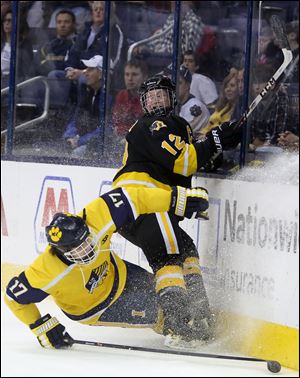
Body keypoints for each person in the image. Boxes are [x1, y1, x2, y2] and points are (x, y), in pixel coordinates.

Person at [112, 75, 242, 345]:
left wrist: (218, 142)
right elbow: (183, 161)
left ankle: (198, 312)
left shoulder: (177, 126)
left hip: (147, 207)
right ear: (144, 104)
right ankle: (176, 323)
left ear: (173, 98)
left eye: (162, 94)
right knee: (169, 257)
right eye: (152, 97)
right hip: (143, 203)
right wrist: (215, 140)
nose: (157, 100)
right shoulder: (152, 125)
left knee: (186, 250)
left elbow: (188, 158)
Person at [4, 184, 210, 349]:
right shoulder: (46, 271)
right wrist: (40, 326)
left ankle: (198, 319)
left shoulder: (97, 214)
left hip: (119, 272)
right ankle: (187, 334)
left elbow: (135, 198)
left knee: (171, 296)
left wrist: (175, 199)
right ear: (60, 252)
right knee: (164, 314)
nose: (87, 252)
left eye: (86, 242)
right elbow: (13, 298)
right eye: (77, 251)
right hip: (97, 308)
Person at [62, 54, 106, 158]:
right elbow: (76, 118)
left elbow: (106, 128)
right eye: (86, 69)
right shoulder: (86, 91)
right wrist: (69, 136)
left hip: (97, 146)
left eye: (90, 69)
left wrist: (79, 140)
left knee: (77, 154)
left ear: (100, 74)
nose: (85, 72)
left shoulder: (109, 97)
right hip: (81, 141)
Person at [112, 59, 148, 139]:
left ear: (144, 77)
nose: (130, 78)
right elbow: (116, 123)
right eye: (127, 74)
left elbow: (146, 129)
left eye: (134, 75)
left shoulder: (150, 98)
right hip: (121, 139)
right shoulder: (121, 95)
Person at [199, 69, 240, 137]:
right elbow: (208, 127)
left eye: (232, 86)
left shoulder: (239, 110)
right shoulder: (222, 107)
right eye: (226, 86)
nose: (228, 89)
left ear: (240, 87)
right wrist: (201, 135)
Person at [177, 65, 210, 139]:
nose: (174, 85)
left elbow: (181, 134)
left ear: (188, 85)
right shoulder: (179, 105)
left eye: (179, 82)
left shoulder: (195, 106)